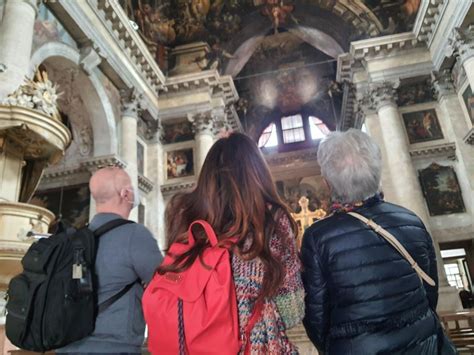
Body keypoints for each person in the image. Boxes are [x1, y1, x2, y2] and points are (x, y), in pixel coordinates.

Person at [160, 133, 304, 353]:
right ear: (257, 171)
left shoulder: (184, 214)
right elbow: (292, 311)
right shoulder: (271, 219)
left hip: (191, 342)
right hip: (252, 345)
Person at [301, 129, 439, 354]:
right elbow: (430, 291)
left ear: (328, 184)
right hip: (423, 344)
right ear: (377, 172)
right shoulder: (412, 220)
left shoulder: (318, 237)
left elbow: (316, 315)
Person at [58, 167, 163, 354]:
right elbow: (166, 287)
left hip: (67, 347)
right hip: (114, 348)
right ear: (125, 193)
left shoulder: (73, 240)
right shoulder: (135, 235)